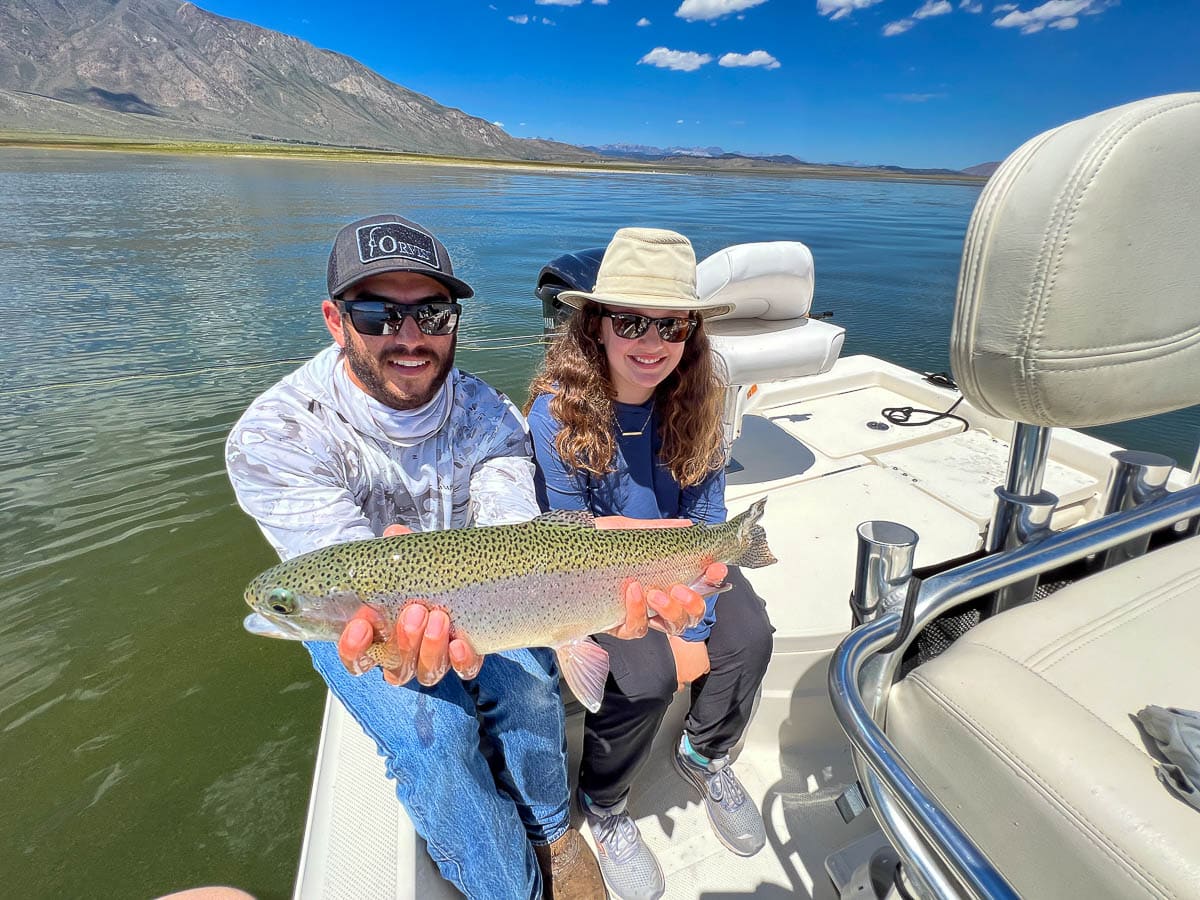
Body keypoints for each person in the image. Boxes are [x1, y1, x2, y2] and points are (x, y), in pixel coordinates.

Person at [226, 214, 709, 900]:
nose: (411, 336)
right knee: (438, 736)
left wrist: (593, 587)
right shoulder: (273, 437)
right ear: (336, 320)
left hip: (494, 590)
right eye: (377, 314)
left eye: (432, 312)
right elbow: (335, 576)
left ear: (454, 318)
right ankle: (509, 889)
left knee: (532, 685)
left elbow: (516, 534)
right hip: (363, 617)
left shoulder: (490, 413)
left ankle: (553, 831)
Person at [525, 228, 775, 900]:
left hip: (686, 562)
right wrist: (674, 636)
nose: (652, 340)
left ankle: (705, 752)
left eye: (672, 325)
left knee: (750, 638)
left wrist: (694, 624)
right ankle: (604, 804)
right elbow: (569, 537)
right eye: (631, 320)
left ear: (691, 333)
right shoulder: (554, 414)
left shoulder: (700, 402)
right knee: (640, 678)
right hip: (594, 579)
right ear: (596, 325)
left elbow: (705, 522)